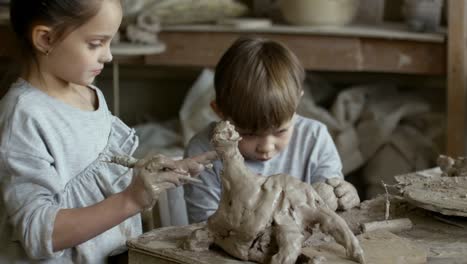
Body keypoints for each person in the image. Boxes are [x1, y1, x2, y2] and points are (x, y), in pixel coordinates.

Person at [0, 0, 215, 263]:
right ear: (46, 39)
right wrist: (131, 200)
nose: (108, 56)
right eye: (95, 44)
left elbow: (103, 168)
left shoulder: (89, 93)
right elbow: (38, 233)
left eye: (110, 42)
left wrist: (157, 170)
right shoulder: (23, 116)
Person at [184, 36, 360, 224]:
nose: (266, 147)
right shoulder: (204, 153)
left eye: (280, 132)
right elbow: (206, 225)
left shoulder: (315, 138)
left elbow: (328, 205)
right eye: (248, 134)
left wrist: (345, 197)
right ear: (219, 111)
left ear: (297, 103)